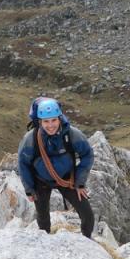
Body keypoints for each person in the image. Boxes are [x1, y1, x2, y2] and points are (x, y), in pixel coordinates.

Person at [17, 97, 95, 238]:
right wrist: (29, 189)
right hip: (41, 180)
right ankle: (45, 240)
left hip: (67, 179)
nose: (50, 125)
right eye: (46, 121)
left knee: (87, 214)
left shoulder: (72, 134)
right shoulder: (31, 139)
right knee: (43, 217)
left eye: (53, 120)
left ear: (59, 118)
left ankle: (87, 240)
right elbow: (23, 163)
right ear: (40, 122)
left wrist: (80, 182)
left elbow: (87, 154)